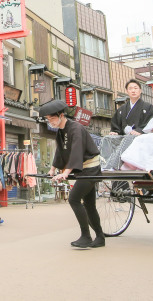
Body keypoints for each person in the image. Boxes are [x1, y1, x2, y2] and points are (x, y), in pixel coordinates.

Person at [41, 99, 105, 249]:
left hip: (90, 168)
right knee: (89, 205)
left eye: (52, 118)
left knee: (74, 199)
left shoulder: (76, 128)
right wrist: (52, 170)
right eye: (48, 119)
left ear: (61, 115)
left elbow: (76, 150)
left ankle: (86, 236)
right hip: (82, 169)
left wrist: (66, 172)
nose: (50, 122)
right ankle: (100, 237)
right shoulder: (61, 131)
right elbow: (60, 151)